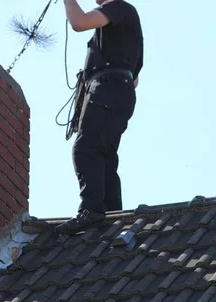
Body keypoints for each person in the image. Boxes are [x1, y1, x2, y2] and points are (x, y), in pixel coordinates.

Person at [56, 0, 144, 235]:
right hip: (119, 91)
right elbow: (135, 78)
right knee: (105, 155)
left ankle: (92, 210)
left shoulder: (119, 8)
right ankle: (111, 213)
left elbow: (79, 22)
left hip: (107, 88)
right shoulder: (126, 25)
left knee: (85, 149)